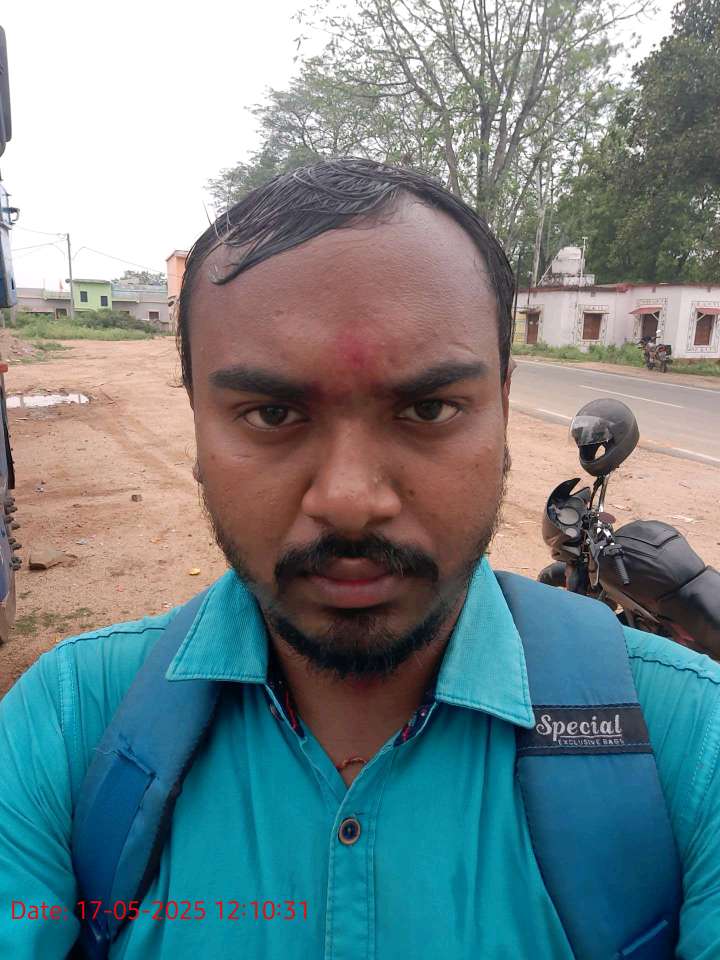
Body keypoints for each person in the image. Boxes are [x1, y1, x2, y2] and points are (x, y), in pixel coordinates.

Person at [1, 157, 719, 959]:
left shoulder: (692, 741)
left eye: (429, 408)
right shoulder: (63, 729)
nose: (349, 501)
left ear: (504, 411)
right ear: (198, 425)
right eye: (272, 414)